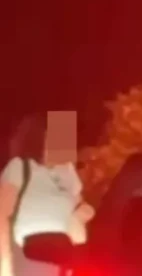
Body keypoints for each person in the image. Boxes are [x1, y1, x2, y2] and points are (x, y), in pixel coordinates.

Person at [0, 115, 94, 276]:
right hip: (30, 256)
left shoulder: (66, 171)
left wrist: (82, 214)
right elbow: (2, 214)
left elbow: (81, 205)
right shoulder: (21, 167)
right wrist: (5, 265)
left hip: (68, 257)